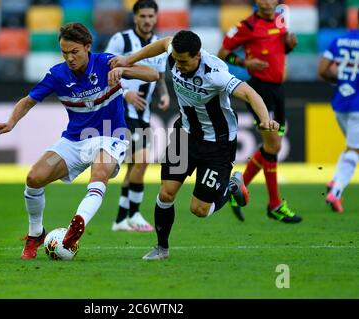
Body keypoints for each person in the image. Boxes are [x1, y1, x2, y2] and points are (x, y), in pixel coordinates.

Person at [0, 22, 159, 260]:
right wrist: (10, 123)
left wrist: (124, 70)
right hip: (75, 140)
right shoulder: (57, 75)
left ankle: (75, 228)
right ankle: (36, 233)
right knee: (34, 178)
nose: (69, 58)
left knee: (100, 172)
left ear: (87, 47)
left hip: (111, 135)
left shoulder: (106, 62)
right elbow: (28, 101)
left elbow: (153, 74)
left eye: (74, 52)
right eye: (65, 53)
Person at [110, 30, 280, 260]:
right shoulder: (176, 52)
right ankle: (162, 248)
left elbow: (250, 94)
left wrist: (265, 119)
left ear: (198, 56)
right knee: (166, 193)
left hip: (217, 144)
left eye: (183, 62)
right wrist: (129, 60)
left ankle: (230, 187)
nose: (177, 66)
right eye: (176, 61)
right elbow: (163, 44)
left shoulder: (215, 73)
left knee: (199, 210)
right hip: (184, 135)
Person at [217, 0, 302, 223]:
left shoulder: (281, 20)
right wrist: (246, 63)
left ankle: (237, 188)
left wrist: (289, 46)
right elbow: (223, 52)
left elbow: (279, 50)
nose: (267, 2)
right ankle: (274, 204)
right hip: (259, 90)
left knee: (271, 146)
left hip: (278, 88)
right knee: (273, 145)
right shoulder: (247, 26)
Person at [105, 0, 170, 232]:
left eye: (151, 16)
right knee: (141, 159)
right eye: (142, 16)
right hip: (122, 111)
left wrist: (164, 94)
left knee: (135, 165)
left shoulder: (159, 45)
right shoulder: (120, 40)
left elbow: (160, 76)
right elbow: (104, 72)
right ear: (135, 17)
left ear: (156, 17)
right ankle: (134, 214)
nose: (147, 20)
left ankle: (121, 219)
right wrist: (125, 92)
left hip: (144, 113)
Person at [318, 23, 359, 213]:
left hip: (340, 103)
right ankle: (336, 192)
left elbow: (323, 70)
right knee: (354, 150)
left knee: (352, 148)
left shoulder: (339, 40)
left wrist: (340, 80)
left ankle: (335, 180)